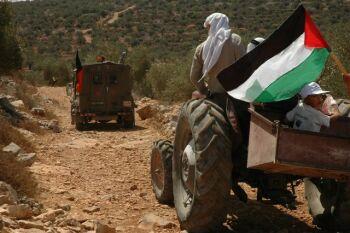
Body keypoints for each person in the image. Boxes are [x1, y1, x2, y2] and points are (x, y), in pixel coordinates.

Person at [190, 13, 246, 96]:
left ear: (210, 27)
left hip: (214, 94)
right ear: (225, 23)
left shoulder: (201, 48)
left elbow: (194, 76)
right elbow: (244, 67)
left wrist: (204, 91)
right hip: (235, 94)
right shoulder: (235, 40)